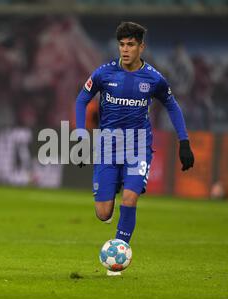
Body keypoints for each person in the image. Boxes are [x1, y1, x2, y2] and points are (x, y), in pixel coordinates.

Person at [75, 22, 194, 275]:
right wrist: (80, 135)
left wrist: (184, 141)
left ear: (142, 46)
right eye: (122, 44)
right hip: (108, 147)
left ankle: (117, 259)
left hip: (138, 147)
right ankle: (113, 188)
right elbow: (82, 99)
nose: (125, 49)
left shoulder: (153, 78)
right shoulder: (104, 74)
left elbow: (172, 106)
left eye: (130, 44)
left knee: (130, 198)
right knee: (103, 212)